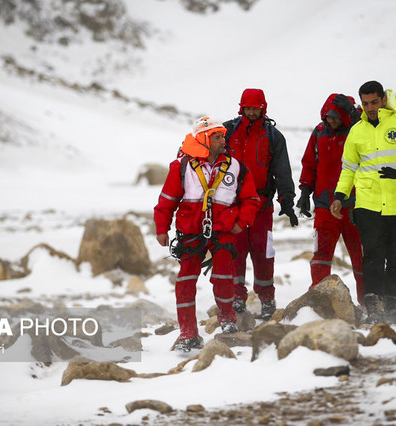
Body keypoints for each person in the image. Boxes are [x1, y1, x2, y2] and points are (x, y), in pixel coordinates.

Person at [330, 81, 396, 323]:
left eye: (374, 102)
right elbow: (348, 168)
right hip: (368, 203)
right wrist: (340, 195)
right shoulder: (357, 130)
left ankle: (391, 303)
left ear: (384, 100)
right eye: (365, 104)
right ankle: (375, 306)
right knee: (373, 255)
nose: (370, 108)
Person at [154, 116, 260, 352]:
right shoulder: (181, 167)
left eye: (223, 135)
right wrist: (162, 228)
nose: (224, 140)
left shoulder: (236, 167)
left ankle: (228, 321)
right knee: (184, 282)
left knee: (223, 277)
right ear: (203, 139)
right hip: (190, 233)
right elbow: (167, 201)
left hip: (223, 231)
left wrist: (240, 223)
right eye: (217, 137)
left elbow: (252, 199)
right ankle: (187, 334)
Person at [223, 88, 297, 320]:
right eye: (248, 108)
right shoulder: (226, 132)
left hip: (261, 205)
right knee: (234, 251)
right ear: (241, 107)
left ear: (263, 108)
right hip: (231, 205)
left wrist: (287, 200)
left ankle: (267, 299)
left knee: (263, 252)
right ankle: (236, 297)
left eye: (256, 108)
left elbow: (282, 171)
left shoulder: (273, 136)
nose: (252, 112)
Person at [297, 94, 364, 304]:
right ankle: (319, 302)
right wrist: (305, 192)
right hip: (325, 207)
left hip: (355, 206)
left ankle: (367, 301)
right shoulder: (319, 133)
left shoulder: (360, 130)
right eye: (327, 117)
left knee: (361, 259)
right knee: (320, 257)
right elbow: (309, 164)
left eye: (335, 117)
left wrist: (355, 117)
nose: (330, 121)